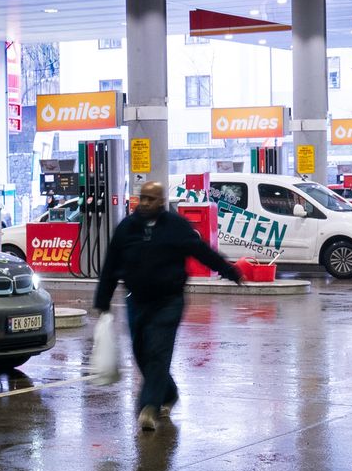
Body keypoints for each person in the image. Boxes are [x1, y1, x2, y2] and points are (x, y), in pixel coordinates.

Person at [94, 182, 244, 433]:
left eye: (151, 199)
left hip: (168, 301)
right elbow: (111, 265)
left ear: (162, 202)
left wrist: (229, 271)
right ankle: (170, 393)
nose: (144, 203)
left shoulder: (176, 226)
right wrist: (102, 301)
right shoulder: (127, 228)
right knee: (141, 352)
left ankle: (149, 408)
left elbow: (202, 251)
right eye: (142, 198)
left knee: (158, 351)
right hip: (137, 300)